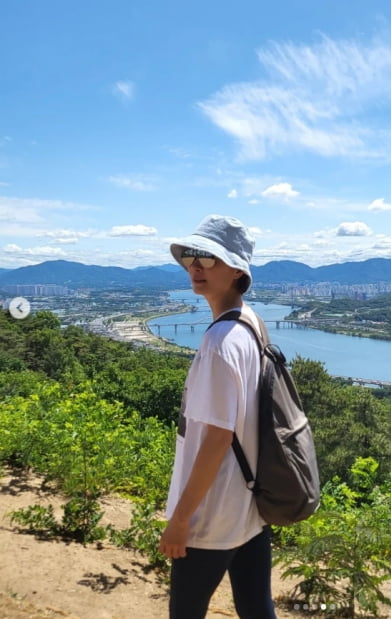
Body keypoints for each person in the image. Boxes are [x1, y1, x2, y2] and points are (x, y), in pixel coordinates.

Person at [159, 214, 276, 618]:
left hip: (210, 516)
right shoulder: (252, 324)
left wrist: (180, 519)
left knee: (186, 612)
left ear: (236, 270)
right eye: (192, 256)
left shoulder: (218, 343)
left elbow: (216, 439)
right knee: (256, 609)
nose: (195, 266)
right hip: (249, 505)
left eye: (209, 259)